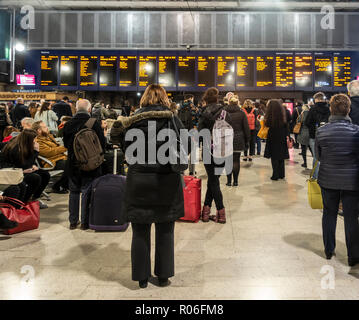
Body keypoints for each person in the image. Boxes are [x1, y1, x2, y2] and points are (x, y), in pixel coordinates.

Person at [119, 84, 185, 289]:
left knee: (140, 230)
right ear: (164, 99)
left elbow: (124, 148)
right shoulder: (172, 119)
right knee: (165, 230)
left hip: (139, 179)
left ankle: (141, 278)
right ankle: (163, 276)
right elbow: (187, 146)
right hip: (166, 180)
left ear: (145, 98)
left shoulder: (132, 120)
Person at [315, 94, 359, 267]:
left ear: (331, 109)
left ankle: (328, 250)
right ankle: (354, 255)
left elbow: (318, 156)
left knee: (329, 213)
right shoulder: (356, 131)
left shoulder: (322, 131)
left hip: (328, 178)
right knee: (351, 217)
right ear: (348, 109)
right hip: (352, 180)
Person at [63, 99, 106, 230]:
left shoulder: (68, 124)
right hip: (90, 164)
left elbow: (65, 145)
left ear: (76, 109)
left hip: (73, 163)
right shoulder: (93, 123)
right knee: (87, 191)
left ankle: (73, 222)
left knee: (74, 192)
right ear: (89, 109)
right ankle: (85, 222)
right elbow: (102, 144)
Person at [198, 87, 230, 224]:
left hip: (208, 150)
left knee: (213, 180)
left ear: (206, 99)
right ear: (217, 98)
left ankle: (214, 212)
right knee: (213, 180)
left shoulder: (203, 113)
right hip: (222, 150)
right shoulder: (224, 112)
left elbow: (200, 133)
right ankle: (209, 212)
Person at [2, 129, 50, 208]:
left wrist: (33, 165)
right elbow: (24, 165)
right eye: (34, 139)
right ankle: (23, 202)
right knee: (34, 178)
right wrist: (36, 152)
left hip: (21, 169)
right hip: (11, 171)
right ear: (29, 139)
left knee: (45, 175)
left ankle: (33, 198)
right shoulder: (16, 148)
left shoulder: (25, 145)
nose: (36, 141)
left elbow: (27, 161)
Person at [32, 121, 68, 194]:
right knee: (70, 165)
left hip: (58, 158)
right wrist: (64, 148)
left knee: (75, 161)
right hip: (51, 162)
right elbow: (48, 152)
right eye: (45, 127)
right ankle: (57, 186)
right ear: (39, 130)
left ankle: (67, 185)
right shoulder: (37, 141)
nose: (47, 128)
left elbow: (55, 148)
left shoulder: (47, 136)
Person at [224, 95, 250, 186]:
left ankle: (228, 181)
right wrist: (247, 140)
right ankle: (235, 181)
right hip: (238, 138)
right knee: (236, 160)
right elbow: (246, 128)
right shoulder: (241, 113)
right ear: (237, 103)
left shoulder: (224, 113)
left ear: (229, 103)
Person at [304, 92, 330, 178]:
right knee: (326, 156)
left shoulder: (312, 109)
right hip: (327, 136)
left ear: (316, 99)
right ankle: (325, 175)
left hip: (314, 136)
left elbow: (307, 122)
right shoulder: (329, 109)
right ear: (323, 99)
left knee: (316, 156)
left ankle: (315, 177)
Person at [264, 100, 289, 181]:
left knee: (274, 155)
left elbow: (267, 124)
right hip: (282, 135)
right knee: (281, 155)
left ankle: (275, 174)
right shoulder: (283, 113)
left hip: (273, 135)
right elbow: (287, 124)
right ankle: (282, 174)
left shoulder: (270, 115)